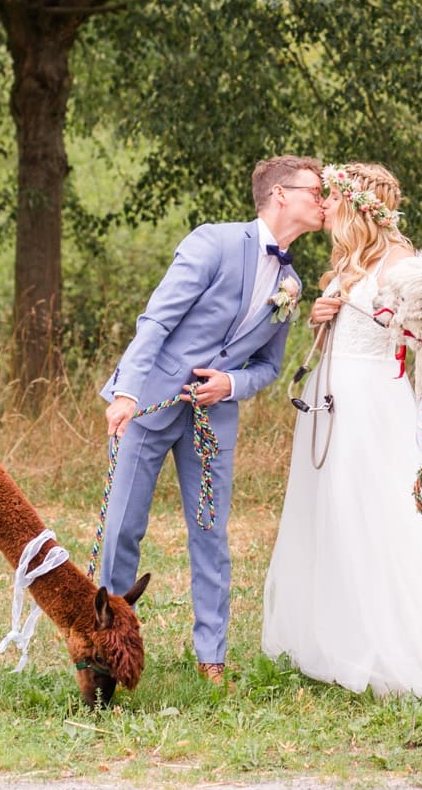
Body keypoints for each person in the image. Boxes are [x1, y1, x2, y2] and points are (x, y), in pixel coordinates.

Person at [261, 162, 422, 696]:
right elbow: (341, 336)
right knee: (331, 514)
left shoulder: (403, 262)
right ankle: (335, 634)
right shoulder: (348, 261)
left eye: (333, 196)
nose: (323, 204)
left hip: (373, 402)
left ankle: (395, 644)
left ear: (358, 204)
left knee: (375, 513)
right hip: (329, 397)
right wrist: (322, 316)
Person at [100, 155, 327, 685]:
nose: (323, 201)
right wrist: (127, 392)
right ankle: (107, 647)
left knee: (210, 534)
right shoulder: (215, 241)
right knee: (122, 530)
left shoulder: (291, 284)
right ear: (280, 195)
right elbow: (156, 320)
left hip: (213, 421)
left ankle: (213, 659)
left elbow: (269, 366)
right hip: (149, 403)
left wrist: (233, 384)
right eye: (315, 191)